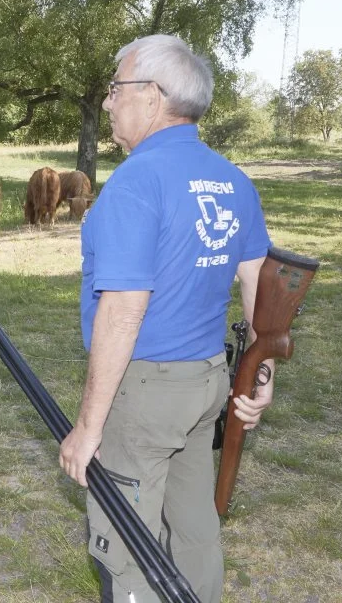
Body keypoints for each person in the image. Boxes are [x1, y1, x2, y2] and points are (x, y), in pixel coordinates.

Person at [58, 34, 274, 603]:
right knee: (195, 524)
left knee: (126, 547)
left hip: (146, 392)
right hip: (205, 383)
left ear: (152, 97)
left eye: (116, 89)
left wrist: (89, 428)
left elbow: (123, 310)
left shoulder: (137, 181)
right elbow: (261, 292)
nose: (108, 103)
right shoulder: (233, 180)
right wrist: (259, 379)